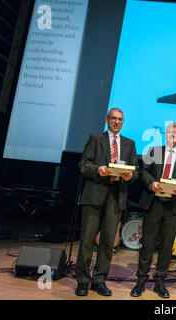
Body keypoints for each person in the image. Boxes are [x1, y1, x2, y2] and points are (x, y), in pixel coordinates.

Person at [74, 107, 139, 297]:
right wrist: (98, 170)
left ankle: (99, 280)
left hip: (116, 197)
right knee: (87, 240)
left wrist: (130, 176)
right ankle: (83, 280)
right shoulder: (95, 139)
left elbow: (135, 171)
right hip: (95, 195)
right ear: (106, 120)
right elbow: (83, 164)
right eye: (114, 119)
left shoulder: (129, 144)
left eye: (120, 119)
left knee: (108, 242)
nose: (117, 122)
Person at [130, 123, 176, 298]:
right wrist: (152, 183)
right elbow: (144, 171)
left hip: (173, 206)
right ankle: (141, 281)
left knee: (166, 247)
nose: (173, 135)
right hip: (154, 203)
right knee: (147, 245)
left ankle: (160, 282)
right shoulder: (153, 151)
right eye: (170, 132)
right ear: (166, 134)